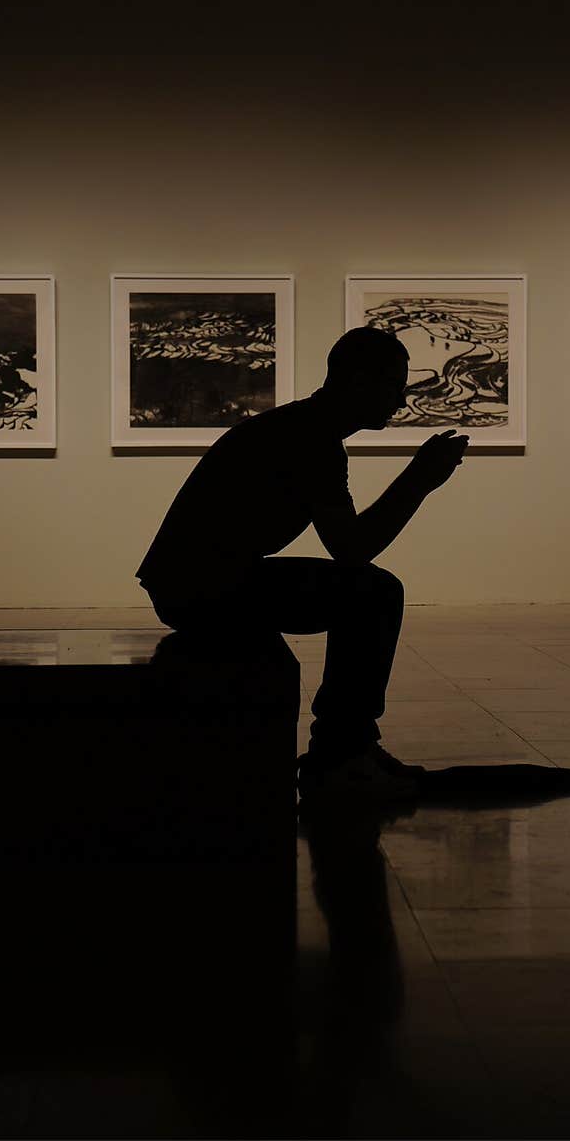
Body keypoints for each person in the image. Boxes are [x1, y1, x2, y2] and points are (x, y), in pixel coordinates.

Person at [136, 326, 469, 801]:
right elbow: (352, 550)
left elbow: (348, 547)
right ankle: (342, 754)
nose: (400, 400)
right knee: (375, 593)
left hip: (198, 582)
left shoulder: (306, 429)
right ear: (357, 383)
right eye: (394, 385)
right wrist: (419, 479)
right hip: (198, 591)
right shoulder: (310, 438)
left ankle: (346, 747)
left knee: (371, 590)